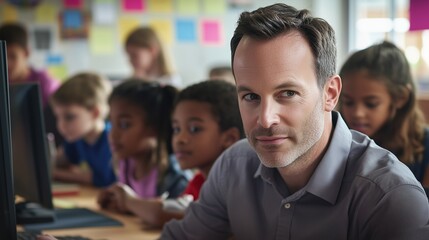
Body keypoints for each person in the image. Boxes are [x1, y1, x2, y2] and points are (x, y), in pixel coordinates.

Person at [161, 3, 429, 240]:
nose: (265, 119)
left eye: (287, 93)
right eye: (251, 96)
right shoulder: (233, 167)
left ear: (330, 94)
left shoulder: (388, 198)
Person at [95, 80, 244, 228]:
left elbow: (164, 215)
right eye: (177, 129)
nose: (180, 139)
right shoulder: (198, 183)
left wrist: (129, 201)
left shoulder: (237, 187)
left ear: (229, 138)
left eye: (194, 129)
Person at [338, 41, 429, 188]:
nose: (357, 113)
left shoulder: (425, 146)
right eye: (348, 102)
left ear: (400, 98)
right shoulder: (338, 143)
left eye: (371, 104)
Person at [97, 79, 190, 213]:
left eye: (124, 125)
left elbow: (174, 218)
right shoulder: (126, 163)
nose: (113, 135)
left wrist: (129, 203)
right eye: (111, 123)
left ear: (155, 128)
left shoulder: (175, 177)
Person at [50, 72, 116, 188]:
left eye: (69, 117)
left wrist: (55, 173)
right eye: (57, 117)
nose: (61, 125)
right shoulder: (77, 138)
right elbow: (53, 163)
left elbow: (105, 179)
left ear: (95, 113)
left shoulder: (112, 140)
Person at [0, 22, 59, 108]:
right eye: (2, 57)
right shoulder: (2, 83)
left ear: (26, 53)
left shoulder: (45, 84)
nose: (7, 63)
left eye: (12, 56)